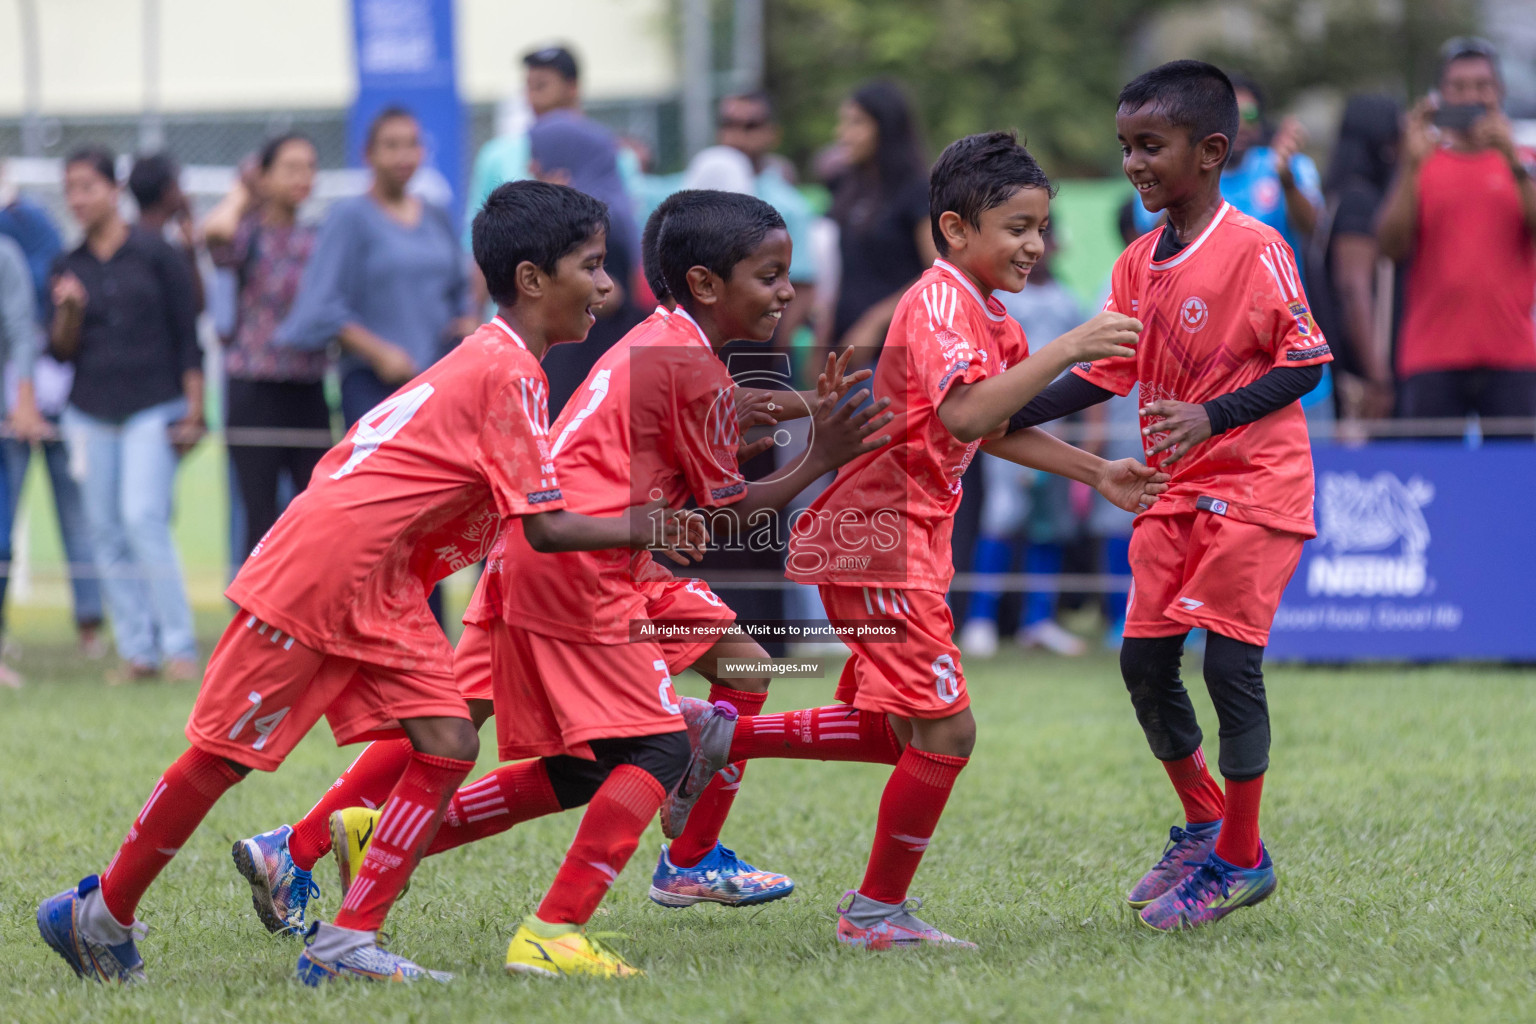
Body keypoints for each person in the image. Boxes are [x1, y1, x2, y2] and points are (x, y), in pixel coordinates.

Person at [35, 179, 706, 986]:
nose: (606, 286)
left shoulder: (503, 362)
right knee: (224, 757)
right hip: (323, 570)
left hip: (379, 579)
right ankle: (99, 913)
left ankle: (348, 943)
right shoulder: (508, 373)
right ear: (532, 279)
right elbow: (546, 526)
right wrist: (653, 524)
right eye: (592, 267)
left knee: (451, 739)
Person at [298, 190, 892, 979]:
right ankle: (559, 925)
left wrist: (807, 414)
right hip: (581, 568)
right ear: (708, 285)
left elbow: (718, 432)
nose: (789, 290)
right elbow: (721, 517)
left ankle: (368, 868)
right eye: (771, 274)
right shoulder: (684, 363)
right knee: (656, 742)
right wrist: (824, 454)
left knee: (578, 763)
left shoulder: (671, 345)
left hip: (559, 563)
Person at [658, 133, 1159, 951]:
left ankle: (716, 734)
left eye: (1040, 227)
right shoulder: (938, 303)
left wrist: (1096, 471)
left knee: (899, 730)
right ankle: (874, 914)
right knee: (949, 730)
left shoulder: (986, 311)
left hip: (903, 543)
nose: (1034, 245)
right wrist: (1070, 346)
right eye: (1016, 227)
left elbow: (990, 423)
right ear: (956, 230)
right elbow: (965, 414)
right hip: (875, 543)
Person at [1008, 60, 1334, 931]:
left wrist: (1213, 414)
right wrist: (1001, 407)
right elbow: (1106, 373)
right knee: (1143, 664)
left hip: (1256, 488)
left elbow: (1306, 361)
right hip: (1169, 491)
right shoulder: (1136, 263)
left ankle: (1239, 856)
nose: (1133, 164)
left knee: (1229, 665)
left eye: (1150, 146)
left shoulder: (1257, 246)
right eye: (1125, 147)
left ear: (1211, 150)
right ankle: (1202, 823)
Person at [50, 147, 204, 682]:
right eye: (70, 188)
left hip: (153, 405)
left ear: (114, 190)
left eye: (87, 186)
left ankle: (180, 648)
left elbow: (189, 333)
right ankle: (138, 652)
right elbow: (61, 353)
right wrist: (69, 312)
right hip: (88, 412)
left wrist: (196, 405)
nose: (78, 198)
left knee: (143, 518)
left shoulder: (155, 253)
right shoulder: (69, 265)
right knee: (104, 531)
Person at [1376, 36, 1536, 431]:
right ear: (1440, 95)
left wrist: (1511, 159)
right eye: (1458, 87)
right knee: (1430, 481)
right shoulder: (1424, 161)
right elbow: (1389, 246)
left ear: (1498, 91)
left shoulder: (1525, 162)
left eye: (1481, 86)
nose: (1470, 97)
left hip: (1512, 354)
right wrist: (1411, 167)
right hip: (1433, 354)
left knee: (1516, 485)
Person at [277, 106, 473, 427]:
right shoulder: (349, 217)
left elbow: (460, 286)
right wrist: (378, 353)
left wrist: (466, 322)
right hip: (373, 384)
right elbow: (321, 304)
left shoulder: (436, 215)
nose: (403, 156)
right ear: (368, 154)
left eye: (411, 145)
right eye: (391, 146)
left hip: (437, 382)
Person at [959, 230, 1091, 658]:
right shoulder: (1002, 304)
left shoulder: (1070, 303)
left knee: (1048, 527)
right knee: (1002, 517)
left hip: (1057, 429)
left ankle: (1039, 620)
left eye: (1047, 239)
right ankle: (980, 618)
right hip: (1006, 427)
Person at [202, 134, 327, 559]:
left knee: (318, 509)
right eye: (290, 168)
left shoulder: (319, 237)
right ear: (266, 176)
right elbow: (213, 231)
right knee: (258, 514)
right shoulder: (247, 234)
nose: (303, 177)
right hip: (253, 385)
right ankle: (255, 621)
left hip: (307, 385)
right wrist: (244, 189)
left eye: (309, 167)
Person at [0, 170, 102, 661]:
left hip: (53, 392)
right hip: (13, 400)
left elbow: (29, 320)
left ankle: (89, 624)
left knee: (77, 516)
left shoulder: (31, 224)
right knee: (5, 519)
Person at [526, 108, 646, 415]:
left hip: (592, 358)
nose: (533, 165)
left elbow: (615, 295)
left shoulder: (598, 220)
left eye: (541, 155)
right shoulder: (580, 213)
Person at [825, 80, 937, 364]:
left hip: (894, 353)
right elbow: (845, 273)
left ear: (886, 128)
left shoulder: (916, 191)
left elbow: (938, 272)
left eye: (856, 123)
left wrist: (876, 321)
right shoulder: (848, 190)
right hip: (845, 346)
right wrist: (823, 339)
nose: (843, 134)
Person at [1309, 95, 1402, 423]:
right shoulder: (1360, 202)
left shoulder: (1335, 199)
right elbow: (1353, 290)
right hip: (1363, 379)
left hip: (1344, 369)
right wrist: (1378, 377)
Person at [0, 232, 44, 686]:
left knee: (0, 542)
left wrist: (25, 400)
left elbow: (20, 330)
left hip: (2, 426)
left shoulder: (6, 255)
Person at [127, 153, 205, 314]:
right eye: (178, 186)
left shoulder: (125, 242)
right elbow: (196, 305)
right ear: (168, 191)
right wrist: (191, 255)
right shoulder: (167, 254)